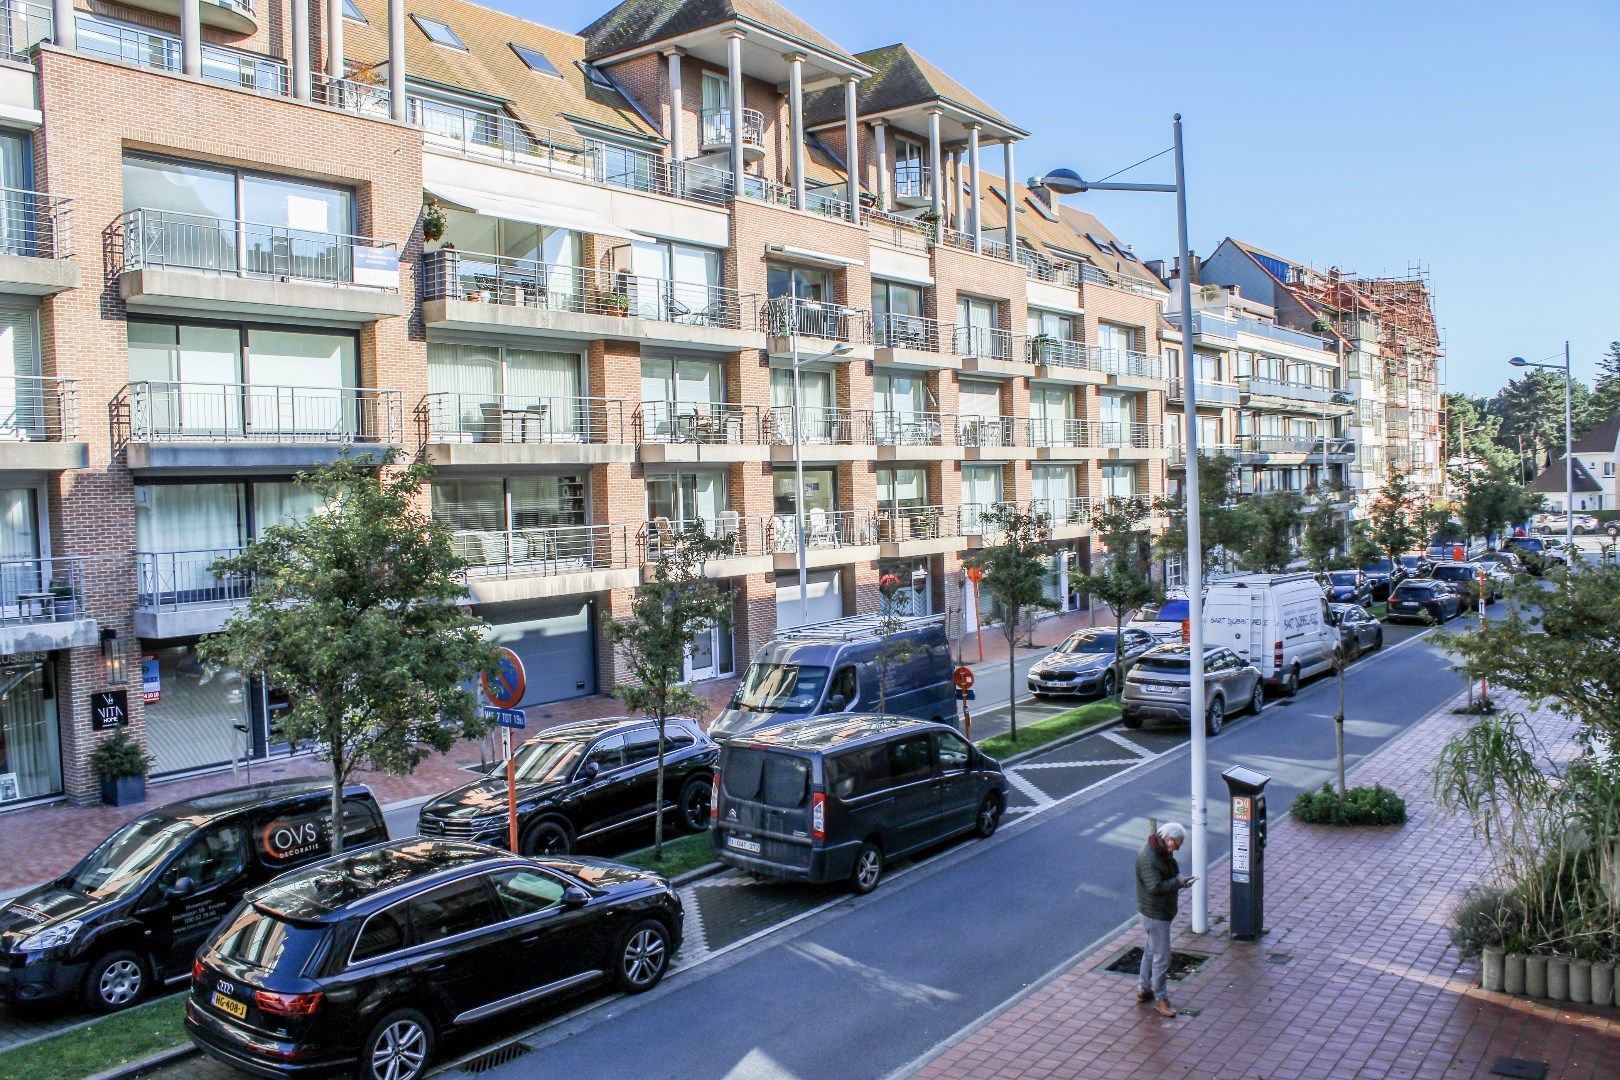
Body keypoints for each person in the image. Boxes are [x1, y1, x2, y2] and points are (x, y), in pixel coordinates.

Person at [1135, 821, 1195, 1017]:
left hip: (1158, 912)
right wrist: (1177, 882)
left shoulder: (1160, 850)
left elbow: (1166, 875)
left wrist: (1180, 882)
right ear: (1168, 839)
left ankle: (1144, 990)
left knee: (1152, 950)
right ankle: (1161, 998)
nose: (1176, 849)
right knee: (1163, 956)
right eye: (1176, 845)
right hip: (1155, 913)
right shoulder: (1149, 856)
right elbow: (1155, 887)